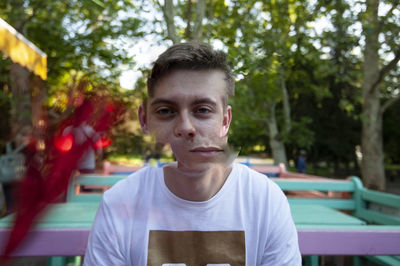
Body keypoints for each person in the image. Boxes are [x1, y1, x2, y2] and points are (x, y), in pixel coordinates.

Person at [84, 42, 301, 265]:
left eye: (203, 110)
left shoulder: (265, 201)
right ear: (145, 119)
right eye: (166, 111)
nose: (186, 126)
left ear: (225, 121)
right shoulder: (120, 202)